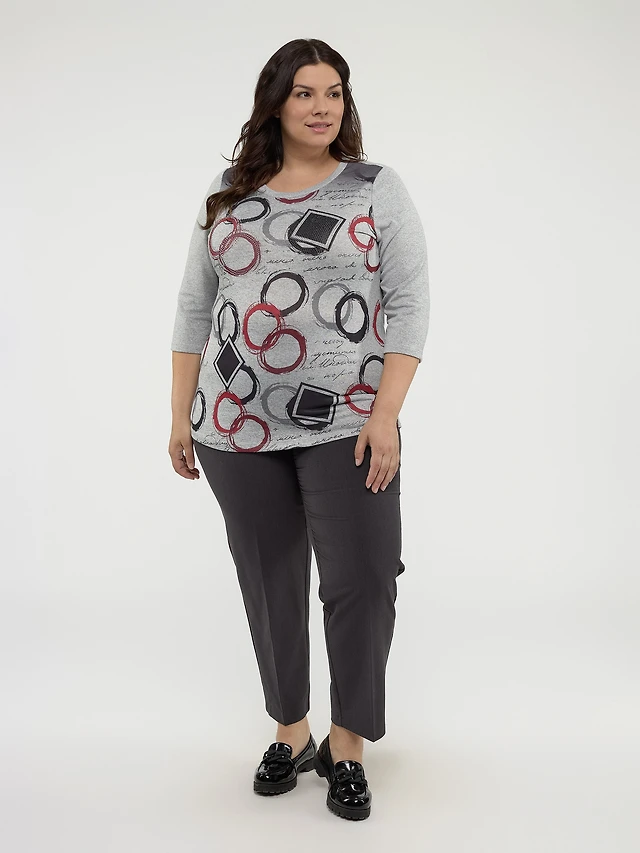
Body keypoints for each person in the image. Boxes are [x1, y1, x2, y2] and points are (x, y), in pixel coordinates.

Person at [168, 38, 430, 821]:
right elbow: (194, 304)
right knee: (268, 576)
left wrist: (386, 413)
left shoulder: (375, 189)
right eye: (305, 93)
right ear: (275, 102)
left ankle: (348, 743)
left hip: (348, 421)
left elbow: (410, 303)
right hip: (233, 423)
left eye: (335, 92)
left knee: (365, 576)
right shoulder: (227, 192)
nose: (322, 107)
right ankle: (292, 729)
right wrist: (178, 412)